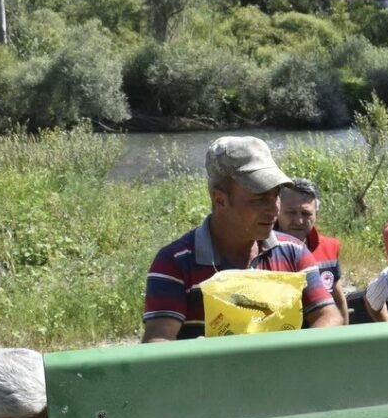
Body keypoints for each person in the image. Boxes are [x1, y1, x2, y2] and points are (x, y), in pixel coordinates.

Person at [142, 136, 341, 342]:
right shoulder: (174, 263)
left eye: (276, 196)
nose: (274, 209)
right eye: (260, 200)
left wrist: (288, 357)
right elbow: (158, 341)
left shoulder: (294, 251)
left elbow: (329, 316)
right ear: (220, 200)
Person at [276, 178, 350, 324]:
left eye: (306, 213)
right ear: (277, 210)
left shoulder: (329, 247)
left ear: (317, 213)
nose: (299, 221)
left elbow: (338, 298)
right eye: (291, 212)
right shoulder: (262, 248)